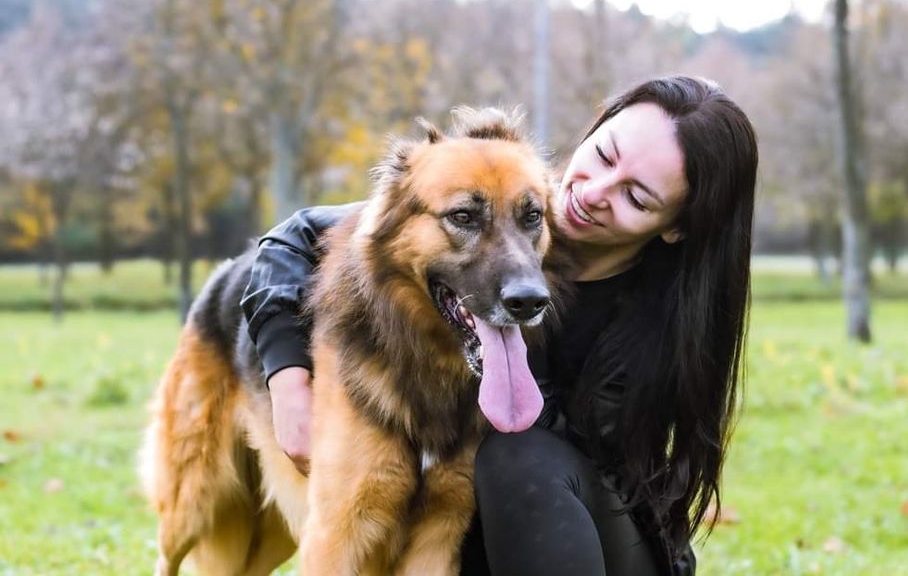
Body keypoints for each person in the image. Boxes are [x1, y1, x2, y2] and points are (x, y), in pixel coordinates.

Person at [240, 76, 758, 575]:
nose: (595, 192)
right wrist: (287, 379)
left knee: (515, 458)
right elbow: (296, 236)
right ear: (596, 127)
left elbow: (538, 446)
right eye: (602, 156)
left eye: (636, 197)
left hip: (601, 540)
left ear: (676, 227)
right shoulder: (522, 198)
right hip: (496, 544)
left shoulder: (666, 323)